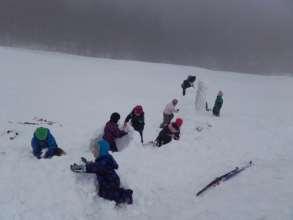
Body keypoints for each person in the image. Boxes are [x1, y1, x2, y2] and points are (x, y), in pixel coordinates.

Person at [70, 139, 133, 205]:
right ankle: (121, 192)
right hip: (110, 180)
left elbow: (94, 167)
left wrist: (78, 168)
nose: (93, 152)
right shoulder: (104, 159)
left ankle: (126, 196)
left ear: (101, 151)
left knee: (106, 194)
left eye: (96, 150)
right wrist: (87, 163)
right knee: (108, 192)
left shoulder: (103, 162)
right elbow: (95, 166)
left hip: (110, 182)